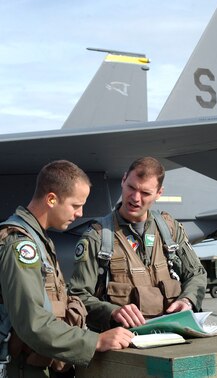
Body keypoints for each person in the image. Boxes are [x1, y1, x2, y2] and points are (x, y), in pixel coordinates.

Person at [0, 160, 133, 378]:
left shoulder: (40, 241)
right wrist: (95, 341)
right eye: (75, 205)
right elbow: (32, 322)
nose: (80, 213)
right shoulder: (21, 246)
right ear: (51, 199)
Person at [68, 157, 207, 332]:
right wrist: (113, 311)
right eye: (131, 188)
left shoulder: (170, 230)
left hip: (173, 336)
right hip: (123, 344)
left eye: (145, 193)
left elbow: (196, 274)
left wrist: (187, 300)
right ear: (123, 180)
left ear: (159, 193)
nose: (135, 198)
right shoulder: (98, 236)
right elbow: (77, 295)